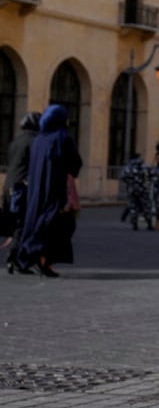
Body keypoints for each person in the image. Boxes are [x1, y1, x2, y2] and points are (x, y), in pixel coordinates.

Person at [16, 105, 82, 278]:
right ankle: (45, 260)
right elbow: (75, 164)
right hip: (55, 190)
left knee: (39, 221)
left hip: (36, 191)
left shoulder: (38, 140)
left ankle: (34, 256)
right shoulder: (62, 138)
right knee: (60, 225)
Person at [3, 111, 40, 274]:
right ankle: (15, 257)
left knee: (17, 223)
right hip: (23, 187)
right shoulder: (34, 142)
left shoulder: (16, 141)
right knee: (24, 224)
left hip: (9, 185)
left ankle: (17, 258)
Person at [121, 152, 154, 231]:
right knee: (146, 206)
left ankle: (135, 224)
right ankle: (149, 223)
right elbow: (152, 175)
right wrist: (147, 183)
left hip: (132, 189)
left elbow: (123, 177)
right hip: (144, 190)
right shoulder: (145, 166)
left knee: (134, 207)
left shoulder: (129, 167)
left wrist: (130, 183)